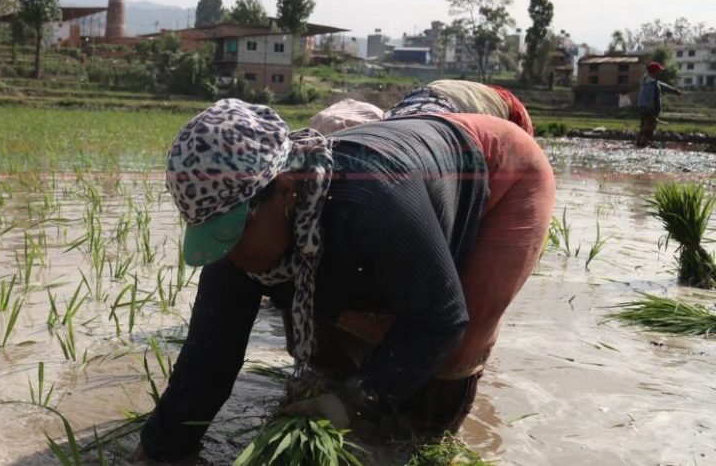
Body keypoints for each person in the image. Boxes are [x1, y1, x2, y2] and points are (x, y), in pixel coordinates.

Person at [136, 99, 554, 462]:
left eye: (235, 231)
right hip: (396, 194)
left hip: (501, 172)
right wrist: (159, 450)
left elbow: (440, 319)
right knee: (333, 346)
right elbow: (209, 357)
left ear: (285, 189)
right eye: (214, 236)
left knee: (448, 359)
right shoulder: (237, 231)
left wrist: (355, 401)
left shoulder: (372, 201)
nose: (227, 253)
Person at [386, 79, 534, 136]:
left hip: (419, 96)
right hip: (450, 107)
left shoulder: (486, 94)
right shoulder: (516, 116)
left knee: (394, 129)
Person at [635, 62, 683, 148]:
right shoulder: (651, 84)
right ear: (654, 71)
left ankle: (638, 145)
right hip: (650, 109)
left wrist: (674, 90)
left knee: (643, 127)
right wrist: (652, 111)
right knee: (649, 129)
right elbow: (650, 97)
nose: (659, 72)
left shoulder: (646, 80)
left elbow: (662, 85)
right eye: (658, 70)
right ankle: (642, 146)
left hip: (643, 108)